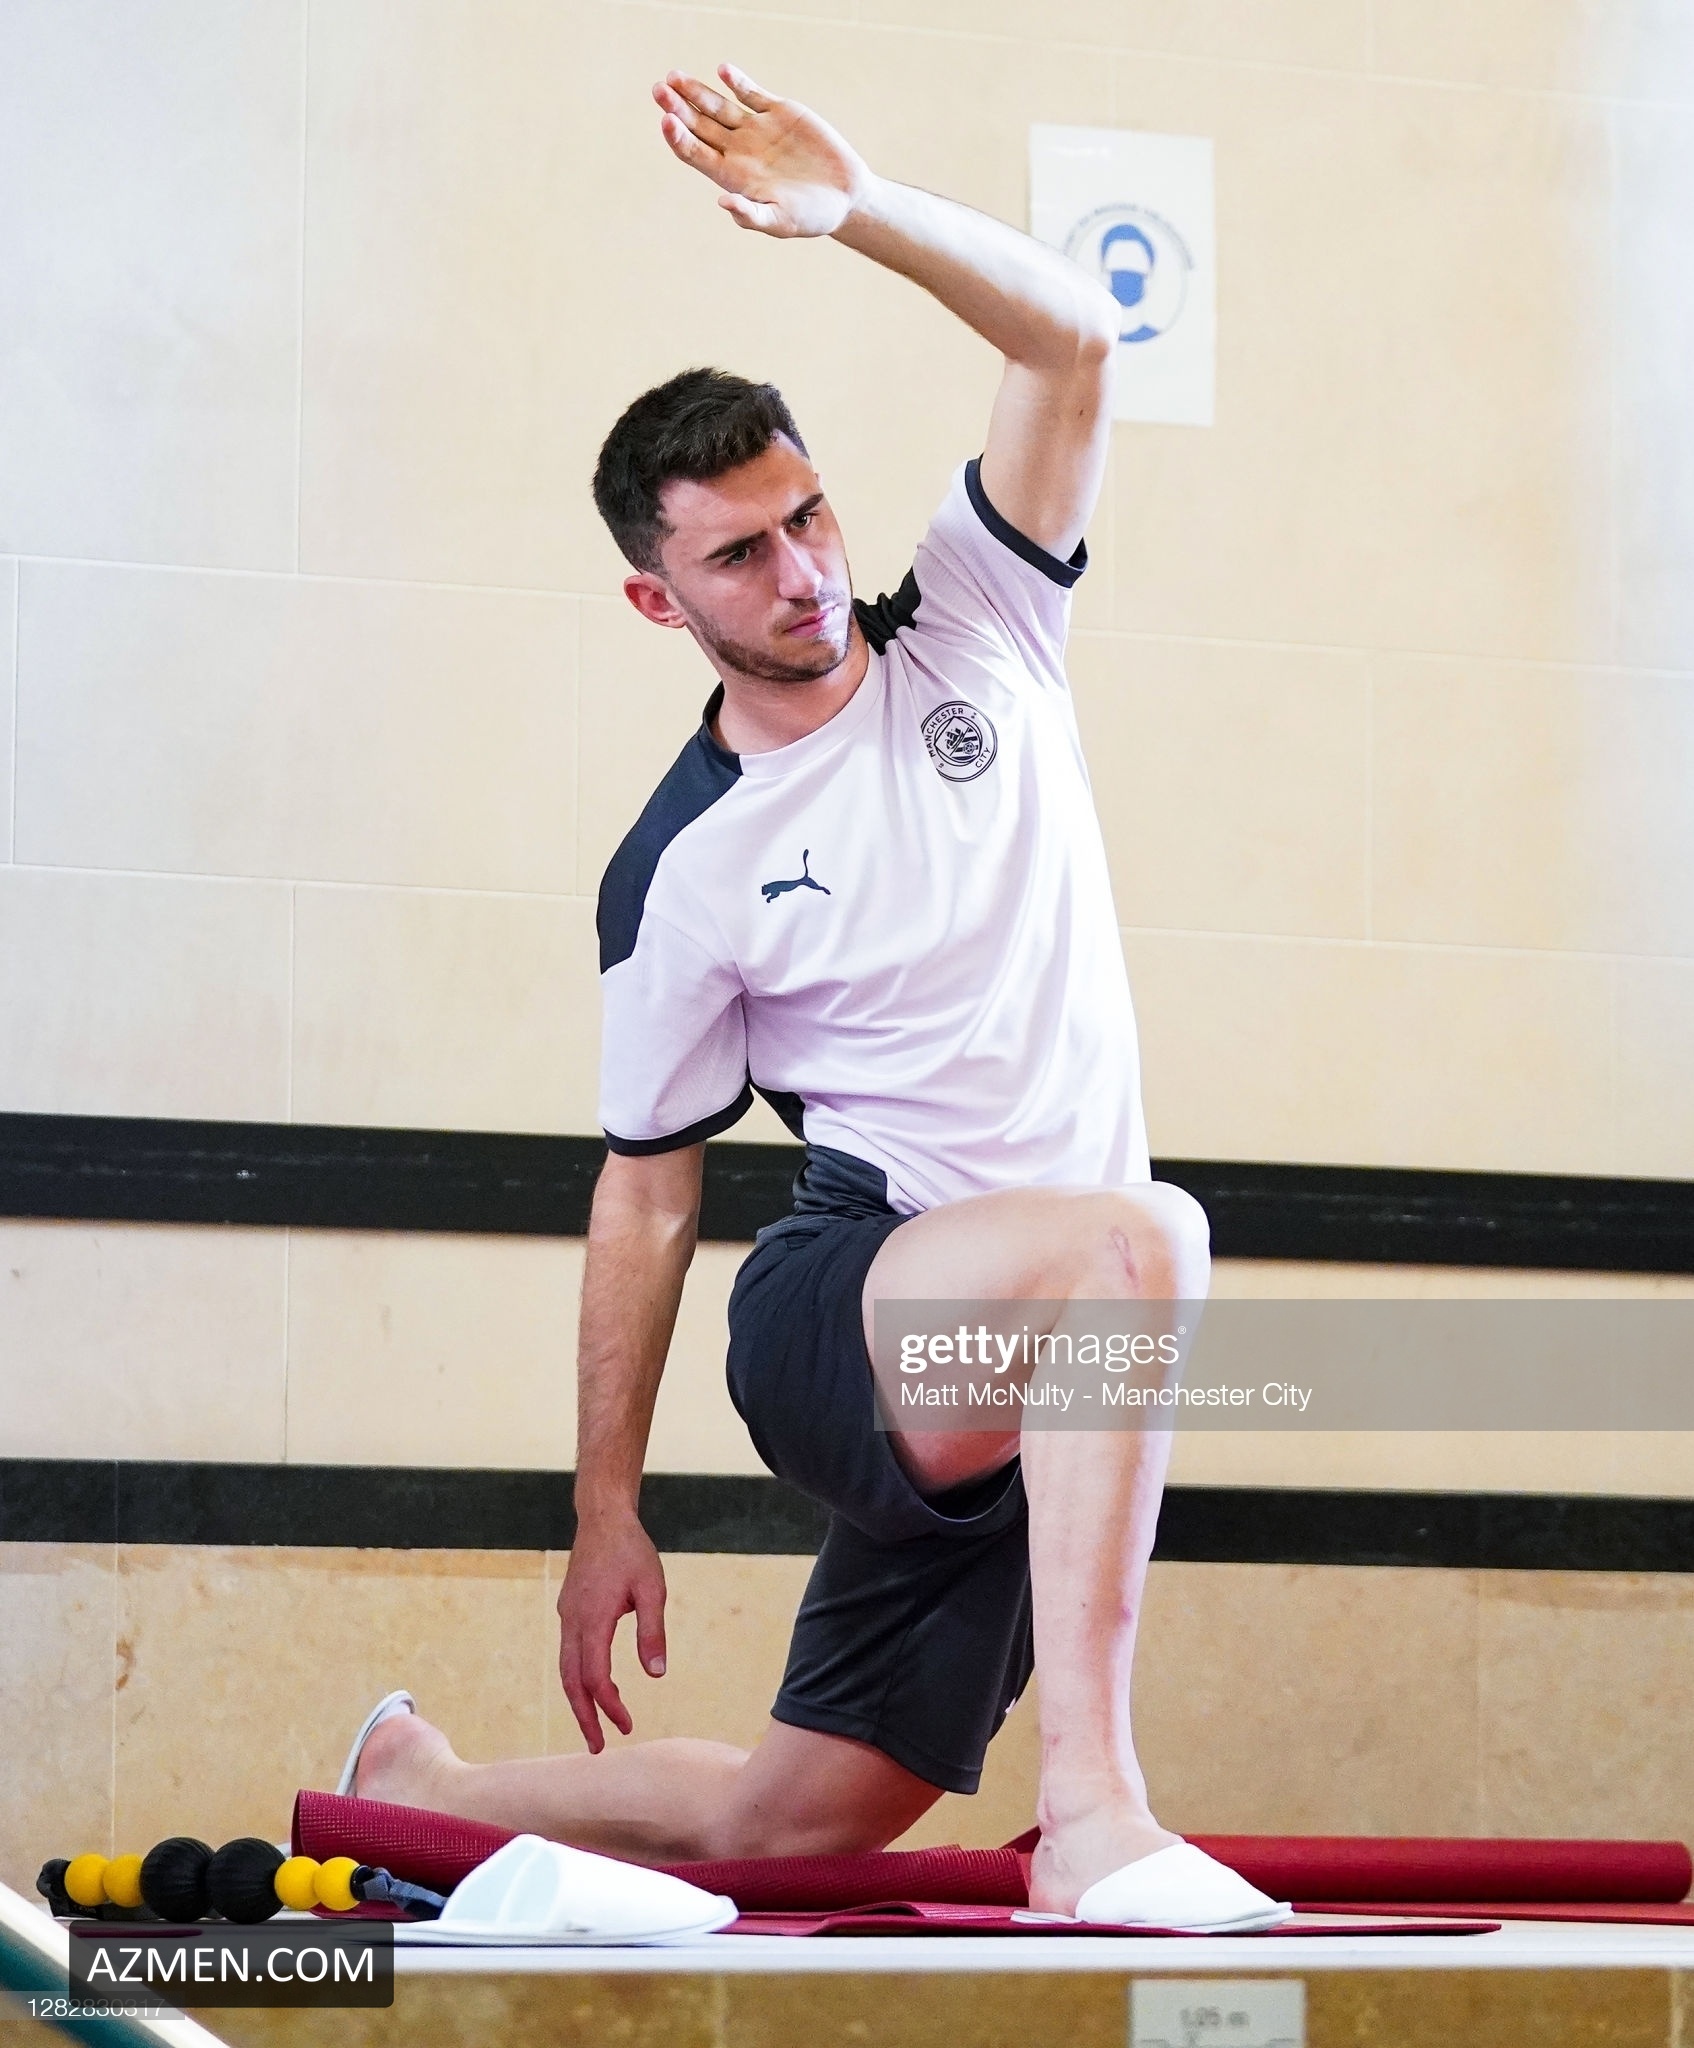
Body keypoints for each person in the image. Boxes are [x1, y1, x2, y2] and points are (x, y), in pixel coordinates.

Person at [350, 62, 1284, 1930]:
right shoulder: (682, 865)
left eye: (806, 518)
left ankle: (419, 1791)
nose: (800, 573)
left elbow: (1072, 341)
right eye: (738, 554)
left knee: (795, 1828)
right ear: (658, 602)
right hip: (849, 1308)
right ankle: (1094, 1812)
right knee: (1144, 1241)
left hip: (1037, 1367)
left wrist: (858, 208)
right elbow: (646, 1188)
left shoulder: (982, 621)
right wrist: (603, 1511)